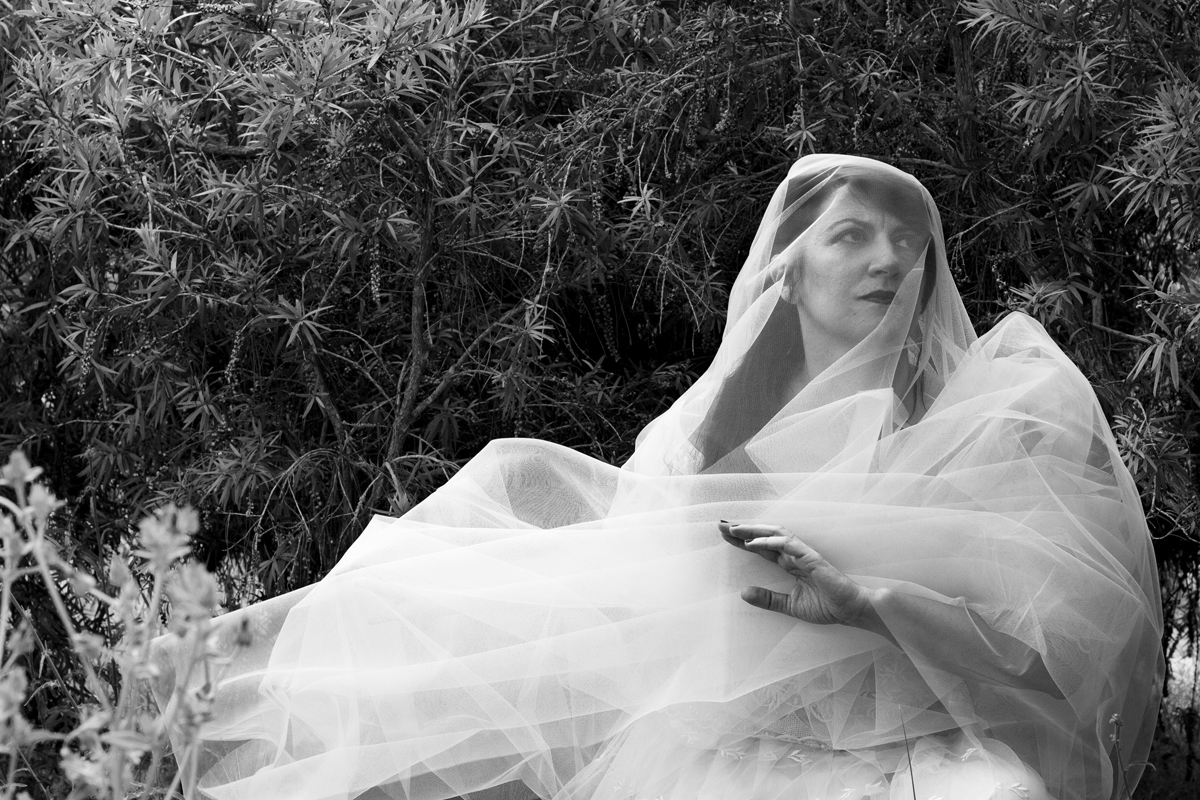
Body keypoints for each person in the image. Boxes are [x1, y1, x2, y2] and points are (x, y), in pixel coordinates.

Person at [154, 155, 1163, 800]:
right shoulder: (697, 442)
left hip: (921, 761)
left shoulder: (971, 433)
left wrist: (875, 604)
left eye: (911, 242)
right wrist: (266, 625)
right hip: (723, 765)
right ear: (786, 268)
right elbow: (560, 583)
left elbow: (1049, 664)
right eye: (853, 234)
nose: (889, 259)